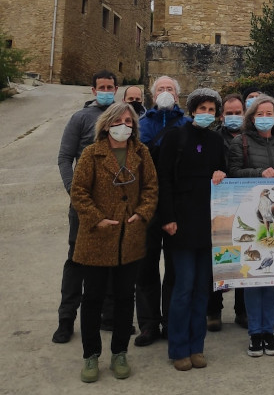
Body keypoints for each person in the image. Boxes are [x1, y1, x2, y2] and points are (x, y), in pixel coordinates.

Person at [70, 102, 158, 382]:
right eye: (119, 120)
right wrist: (96, 218)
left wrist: (142, 214)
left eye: (129, 121)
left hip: (129, 237)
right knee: (93, 299)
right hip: (97, 237)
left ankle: (119, 352)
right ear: (107, 124)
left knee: (124, 298)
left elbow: (151, 188)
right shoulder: (91, 154)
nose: (125, 125)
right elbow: (79, 192)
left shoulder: (141, 154)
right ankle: (91, 355)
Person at [158, 88, 227, 371]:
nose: (207, 114)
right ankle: (178, 348)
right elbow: (163, 179)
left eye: (212, 110)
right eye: (202, 108)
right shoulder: (175, 136)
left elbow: (222, 172)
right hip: (181, 224)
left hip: (208, 224)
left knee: (202, 289)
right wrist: (167, 217)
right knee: (183, 288)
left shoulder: (215, 140)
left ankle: (197, 346)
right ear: (192, 110)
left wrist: (222, 174)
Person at [54, 70, 118, 344]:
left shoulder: (121, 118)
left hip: (115, 203)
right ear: (93, 90)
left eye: (110, 86)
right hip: (84, 202)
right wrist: (73, 191)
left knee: (110, 258)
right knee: (77, 258)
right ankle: (67, 317)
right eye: (101, 86)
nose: (106, 90)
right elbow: (65, 157)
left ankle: (107, 313)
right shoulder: (80, 118)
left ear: (116, 89)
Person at [229, 95, 274, 357]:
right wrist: (259, 172)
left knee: (273, 277)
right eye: (260, 113)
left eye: (270, 113)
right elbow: (232, 172)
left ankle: (269, 330)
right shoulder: (238, 142)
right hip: (250, 215)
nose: (265, 117)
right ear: (251, 117)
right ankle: (255, 332)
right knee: (253, 279)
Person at [134, 76, 191, 347]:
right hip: (146, 204)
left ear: (178, 96)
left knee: (175, 268)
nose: (165, 93)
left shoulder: (187, 125)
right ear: (152, 94)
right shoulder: (141, 125)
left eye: (170, 89)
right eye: (161, 89)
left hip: (177, 205)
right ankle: (147, 324)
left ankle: (171, 320)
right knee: (145, 267)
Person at [207, 94, 248, 331]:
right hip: (220, 207)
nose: (234, 116)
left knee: (243, 257)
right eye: (229, 113)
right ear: (222, 115)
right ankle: (214, 310)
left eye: (238, 112)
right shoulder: (213, 138)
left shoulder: (249, 139)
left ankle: (242, 311)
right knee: (219, 258)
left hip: (243, 206)